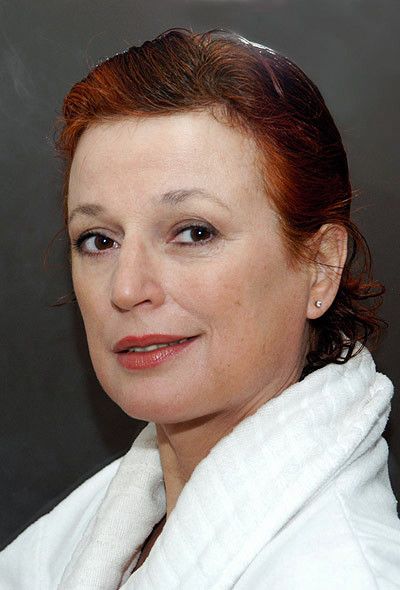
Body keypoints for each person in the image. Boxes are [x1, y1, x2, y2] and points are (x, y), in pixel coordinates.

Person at [1, 26, 399, 589]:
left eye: (193, 232)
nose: (126, 288)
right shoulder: (64, 550)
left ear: (320, 265)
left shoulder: (346, 573)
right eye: (98, 239)